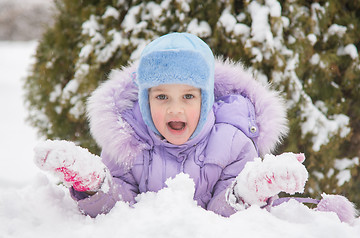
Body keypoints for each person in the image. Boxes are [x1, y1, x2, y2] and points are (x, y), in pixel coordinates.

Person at [33, 32, 340, 219]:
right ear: (145, 100)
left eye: (189, 96)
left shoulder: (233, 141)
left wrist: (250, 190)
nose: (175, 108)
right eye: (162, 95)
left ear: (207, 100)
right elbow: (117, 213)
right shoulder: (127, 141)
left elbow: (227, 218)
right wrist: (93, 185)